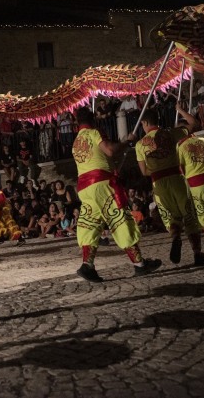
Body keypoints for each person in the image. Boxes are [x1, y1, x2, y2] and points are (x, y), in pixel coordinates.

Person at [72, 107, 161, 283]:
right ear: (93, 120)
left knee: (90, 224)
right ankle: (140, 265)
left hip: (85, 189)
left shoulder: (75, 142)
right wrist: (126, 141)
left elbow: (101, 158)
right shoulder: (93, 133)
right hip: (102, 185)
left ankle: (87, 265)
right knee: (120, 220)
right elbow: (110, 150)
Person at [135, 105, 204, 266]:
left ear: (146, 122)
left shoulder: (140, 144)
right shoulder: (170, 133)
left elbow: (144, 171)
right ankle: (197, 253)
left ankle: (175, 237)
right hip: (176, 177)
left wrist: (156, 167)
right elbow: (195, 124)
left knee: (172, 217)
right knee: (189, 215)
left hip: (158, 182)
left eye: (142, 124)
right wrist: (180, 110)